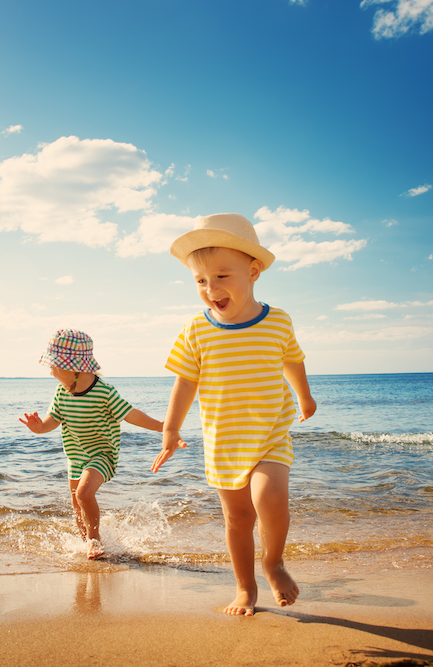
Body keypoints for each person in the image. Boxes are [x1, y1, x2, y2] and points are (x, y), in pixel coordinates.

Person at [152, 213, 317, 616]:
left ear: (253, 271)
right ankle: (245, 588)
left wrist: (305, 397)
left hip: (270, 435)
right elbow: (185, 383)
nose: (211, 289)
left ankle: (273, 562)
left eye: (222, 276)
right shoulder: (196, 330)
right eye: (201, 281)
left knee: (270, 497)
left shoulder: (277, 321)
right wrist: (171, 428)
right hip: (224, 442)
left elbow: (292, 361)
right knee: (238, 519)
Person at [20, 328, 163, 559]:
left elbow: (130, 414)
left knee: (84, 494)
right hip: (75, 456)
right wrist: (39, 428)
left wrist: (159, 426)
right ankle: (86, 544)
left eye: (53, 366)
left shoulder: (104, 392)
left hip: (102, 455)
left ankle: (95, 540)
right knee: (77, 504)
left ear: (73, 367)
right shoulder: (61, 393)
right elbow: (52, 420)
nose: (50, 371)